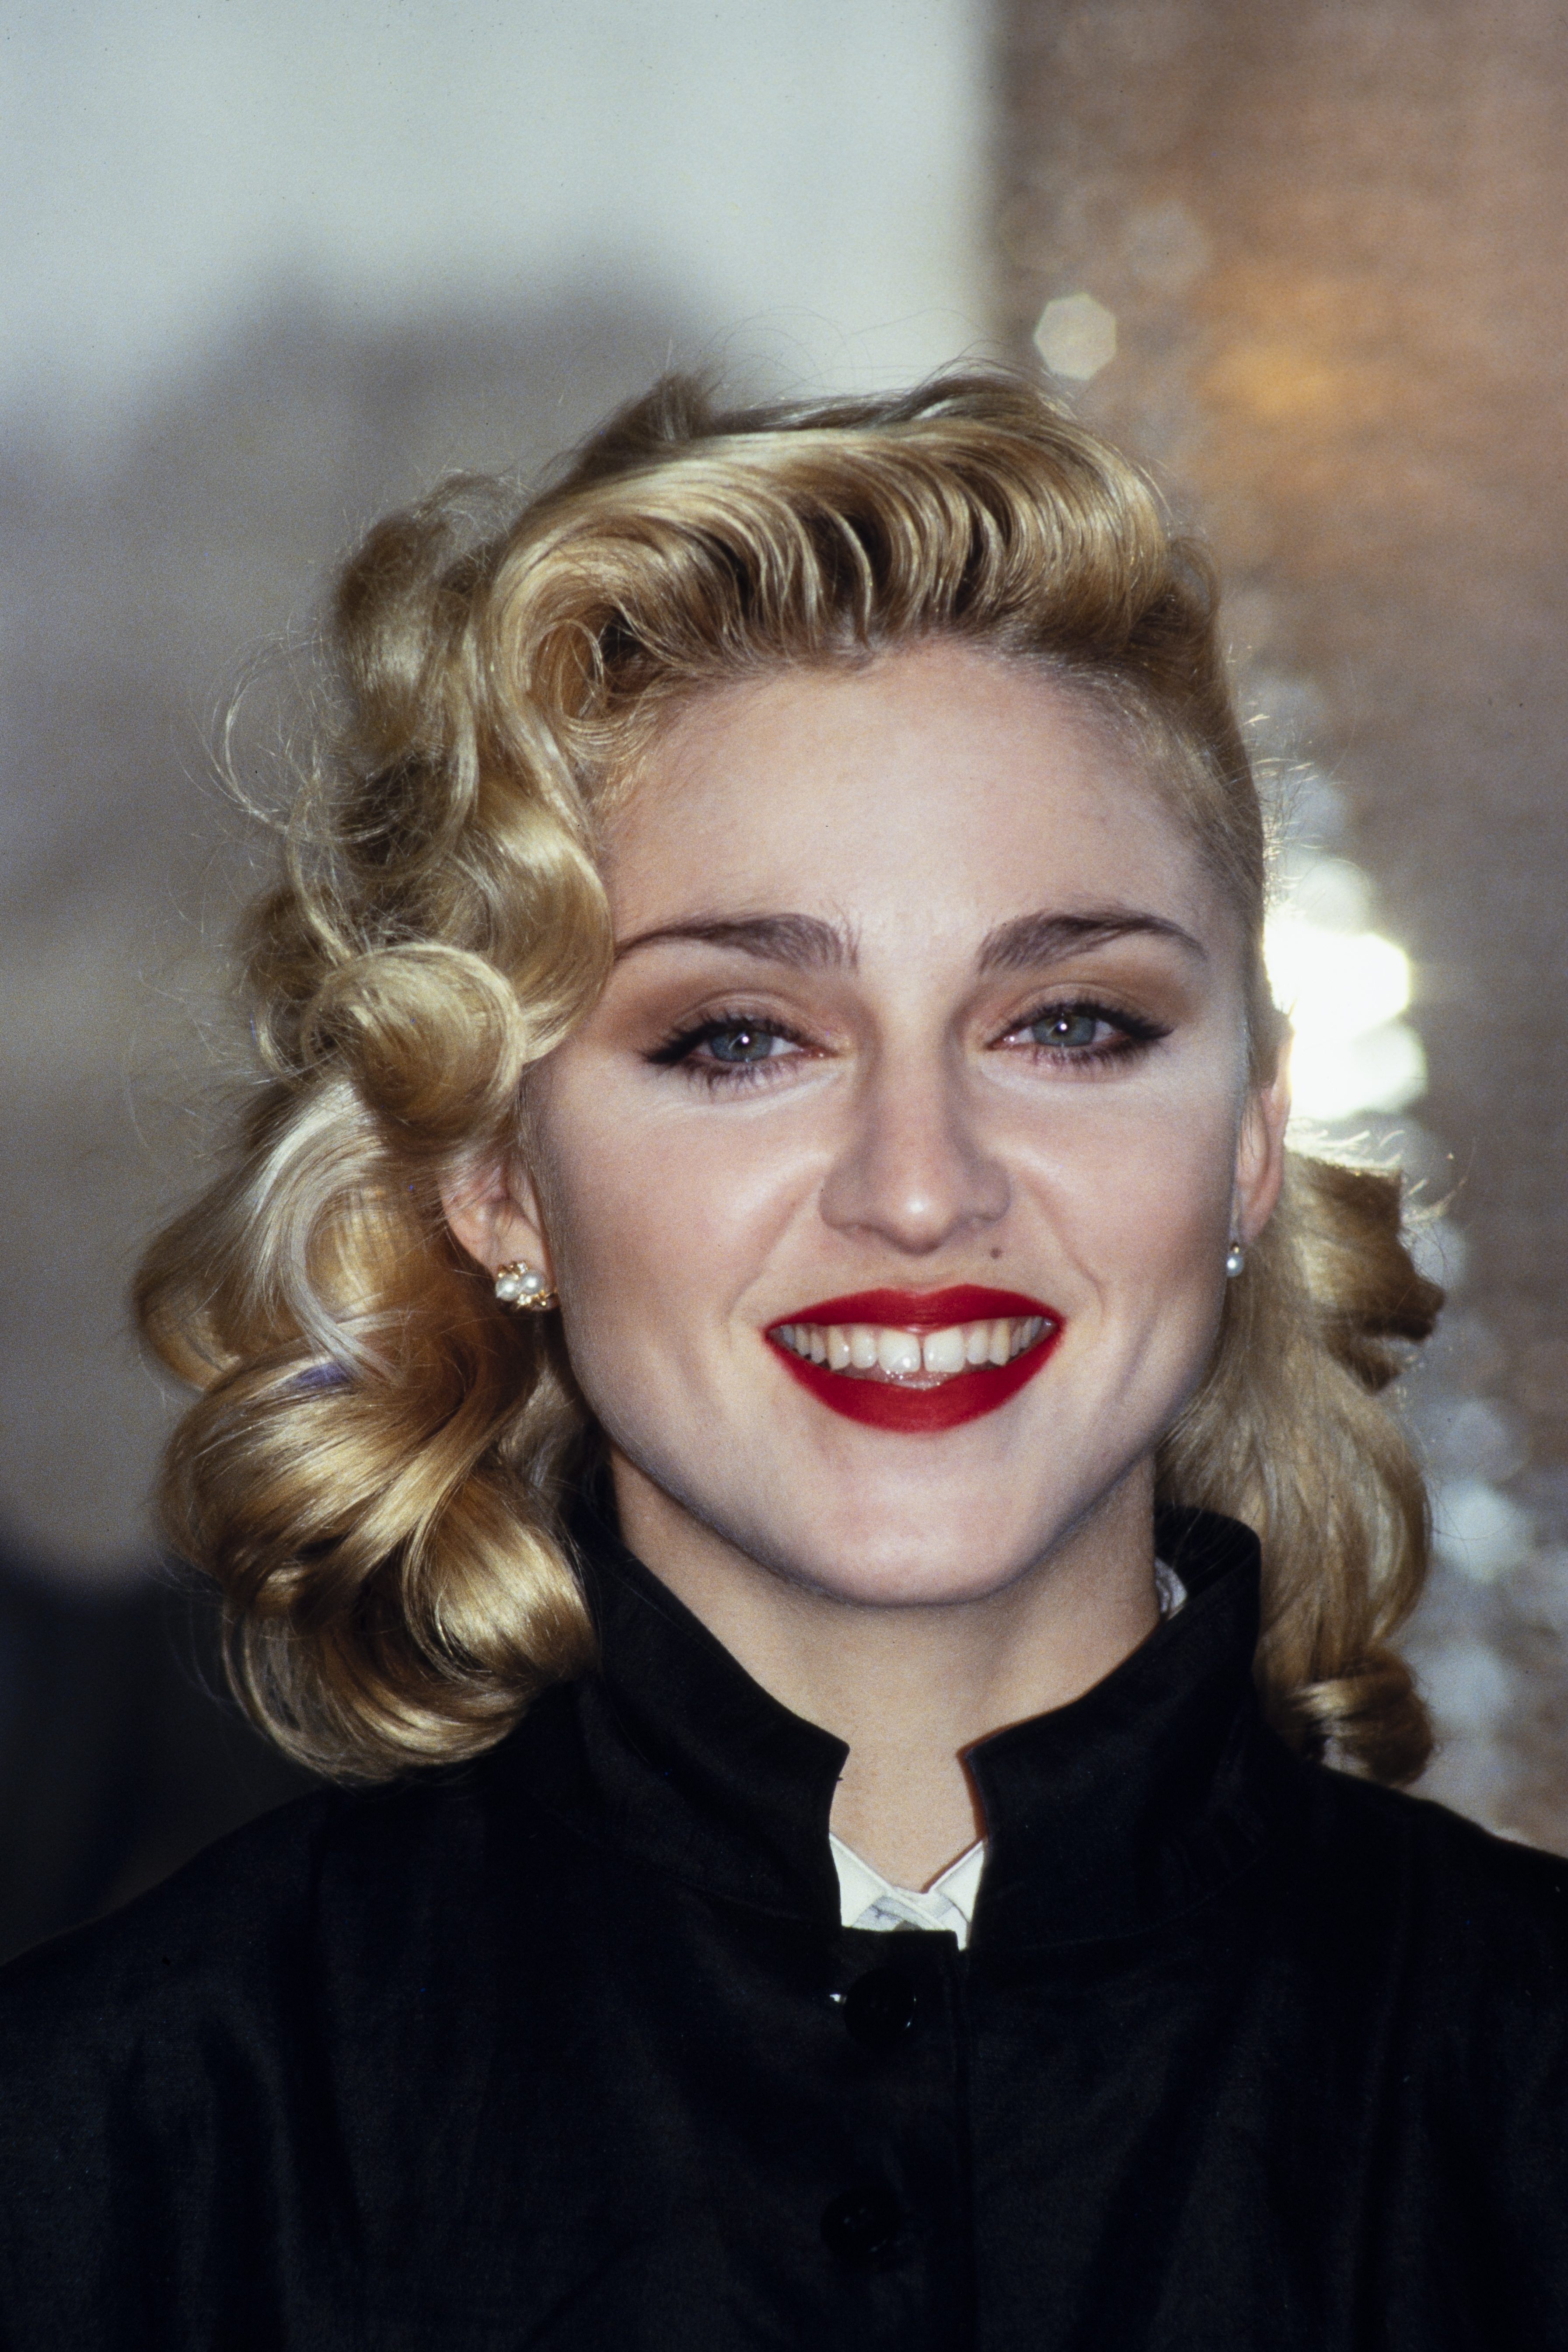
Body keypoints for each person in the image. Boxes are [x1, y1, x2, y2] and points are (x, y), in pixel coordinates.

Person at [1, 370, 1564, 2351]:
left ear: (1250, 1136)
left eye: (1070, 1023)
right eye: (740, 1037)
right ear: (498, 1181)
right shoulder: (114, 2155)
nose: (921, 1190)